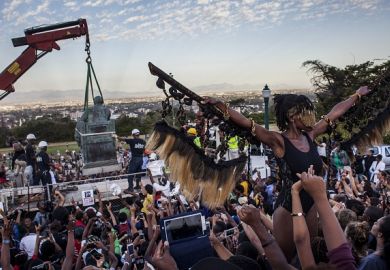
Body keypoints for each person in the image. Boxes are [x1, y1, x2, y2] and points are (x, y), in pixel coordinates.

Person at [205, 85, 371, 261]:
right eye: (305, 113)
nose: (310, 117)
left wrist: (356, 95)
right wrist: (221, 105)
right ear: (292, 117)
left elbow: (334, 113)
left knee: (309, 256)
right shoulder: (278, 141)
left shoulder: (311, 134)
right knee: (286, 259)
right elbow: (247, 123)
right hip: (287, 207)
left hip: (312, 205)